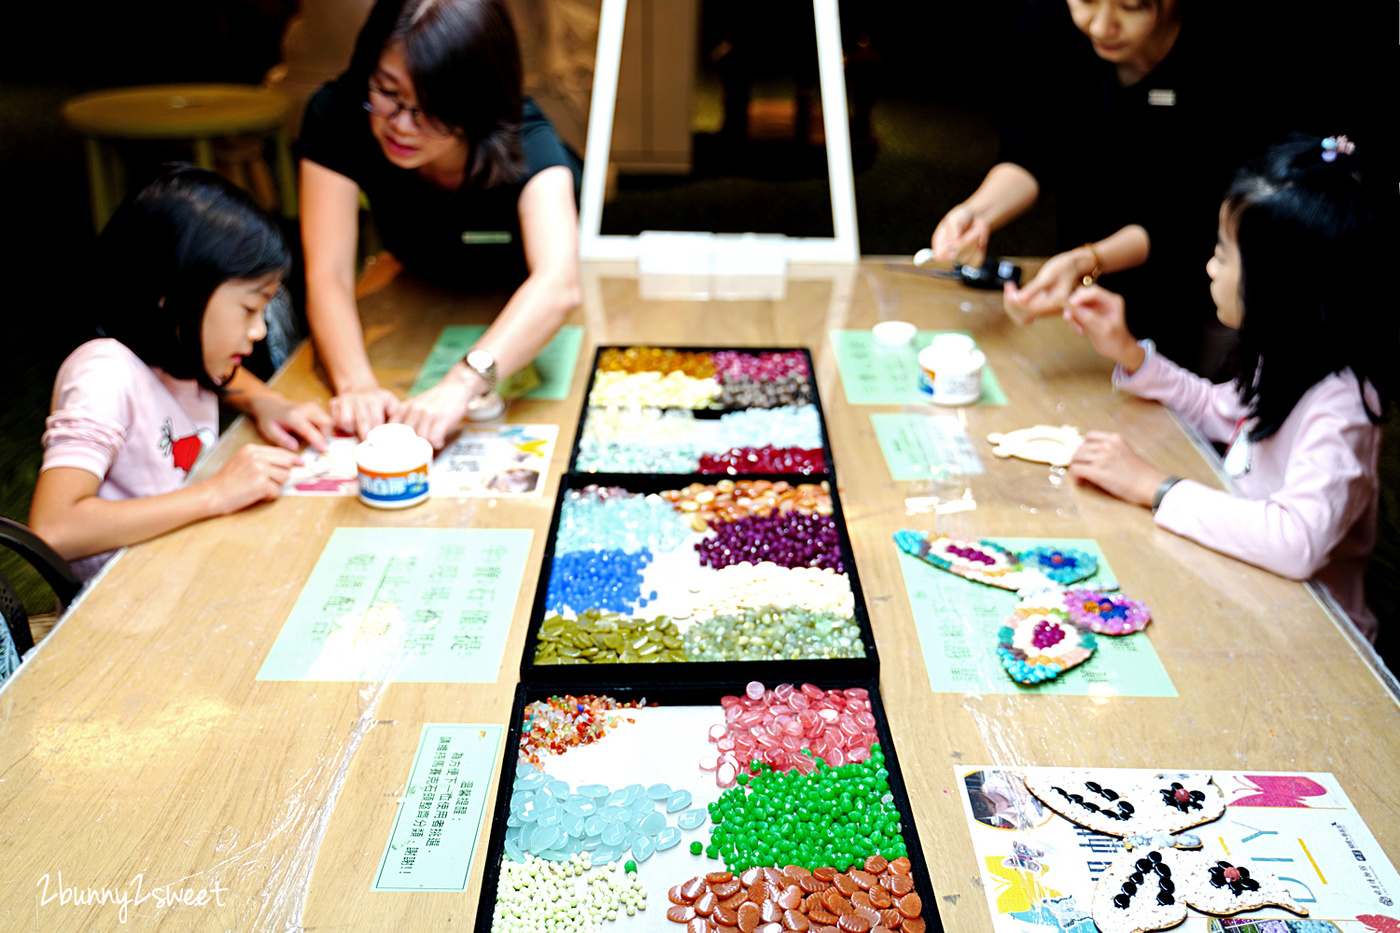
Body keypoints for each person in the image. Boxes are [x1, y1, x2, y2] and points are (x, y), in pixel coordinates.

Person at [1064, 135, 1391, 640]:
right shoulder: (1284, 353)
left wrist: (1154, 486)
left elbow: (1295, 541)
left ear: (1280, 284)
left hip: (1314, 641)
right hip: (1244, 588)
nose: (1211, 267)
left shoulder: (1345, 402)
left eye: (1224, 253)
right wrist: (1130, 352)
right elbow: (1223, 412)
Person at [928, 0, 1276, 374]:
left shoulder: (1227, 49)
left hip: (1198, 283)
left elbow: (1190, 209)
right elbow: (1029, 152)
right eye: (1086, 1)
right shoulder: (1048, 18)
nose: (1100, 26)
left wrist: (1088, 260)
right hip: (1084, 274)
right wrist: (977, 213)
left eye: (1129, 6)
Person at [299, 0, 581, 448]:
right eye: (388, 92)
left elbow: (558, 284)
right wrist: (356, 385)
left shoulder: (527, 141)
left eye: (432, 108)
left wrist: (462, 383)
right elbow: (328, 271)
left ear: (479, 101)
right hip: (415, 292)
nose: (402, 126)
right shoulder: (339, 115)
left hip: (513, 310)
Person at [30, 167, 332, 582]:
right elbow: (55, 529)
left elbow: (223, 380)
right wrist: (215, 493)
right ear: (170, 296)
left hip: (182, 568)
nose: (259, 330)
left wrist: (267, 402)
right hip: (120, 607)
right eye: (248, 309)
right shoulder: (104, 373)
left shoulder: (181, 353)